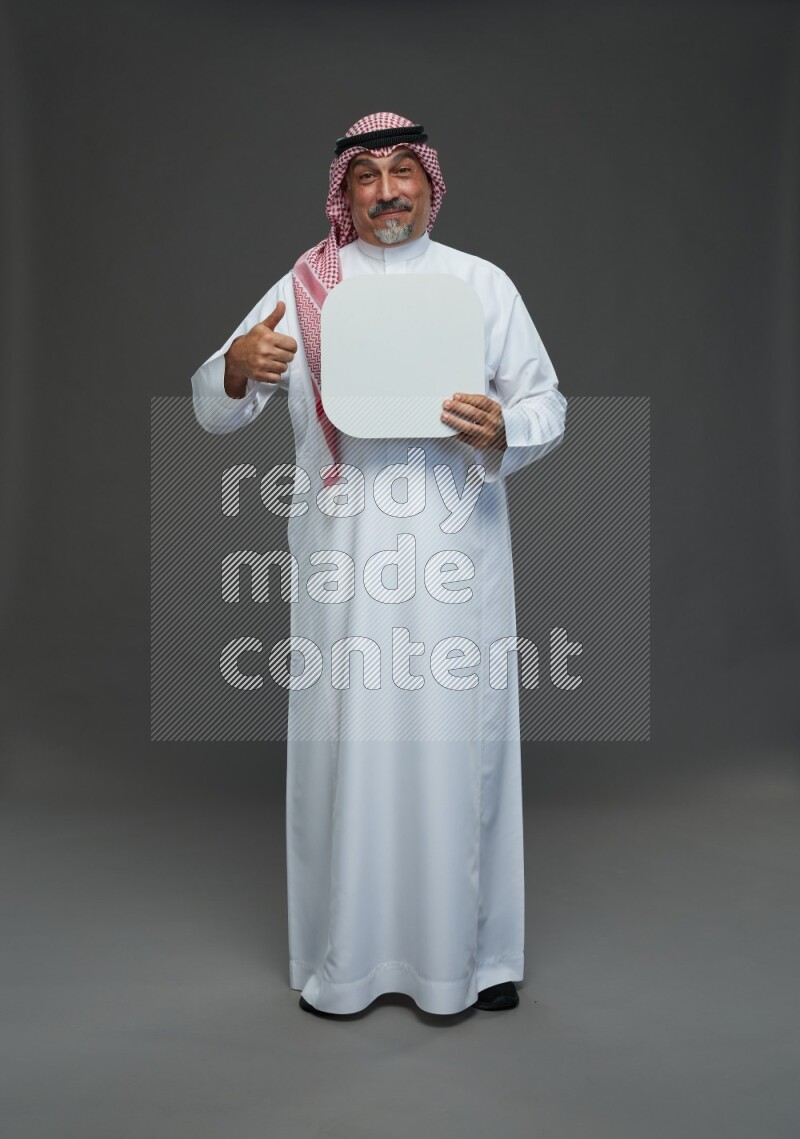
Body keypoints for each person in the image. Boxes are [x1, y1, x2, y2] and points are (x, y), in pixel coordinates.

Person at [191, 112, 567, 1017]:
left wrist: (505, 427)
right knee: (346, 748)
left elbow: (548, 404)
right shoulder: (305, 287)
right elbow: (216, 403)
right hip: (344, 561)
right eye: (367, 175)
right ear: (345, 193)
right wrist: (238, 367)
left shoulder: (481, 284)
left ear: (431, 184)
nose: (387, 191)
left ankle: (476, 959)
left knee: (460, 750)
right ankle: (347, 960)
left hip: (454, 557)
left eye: (404, 172)